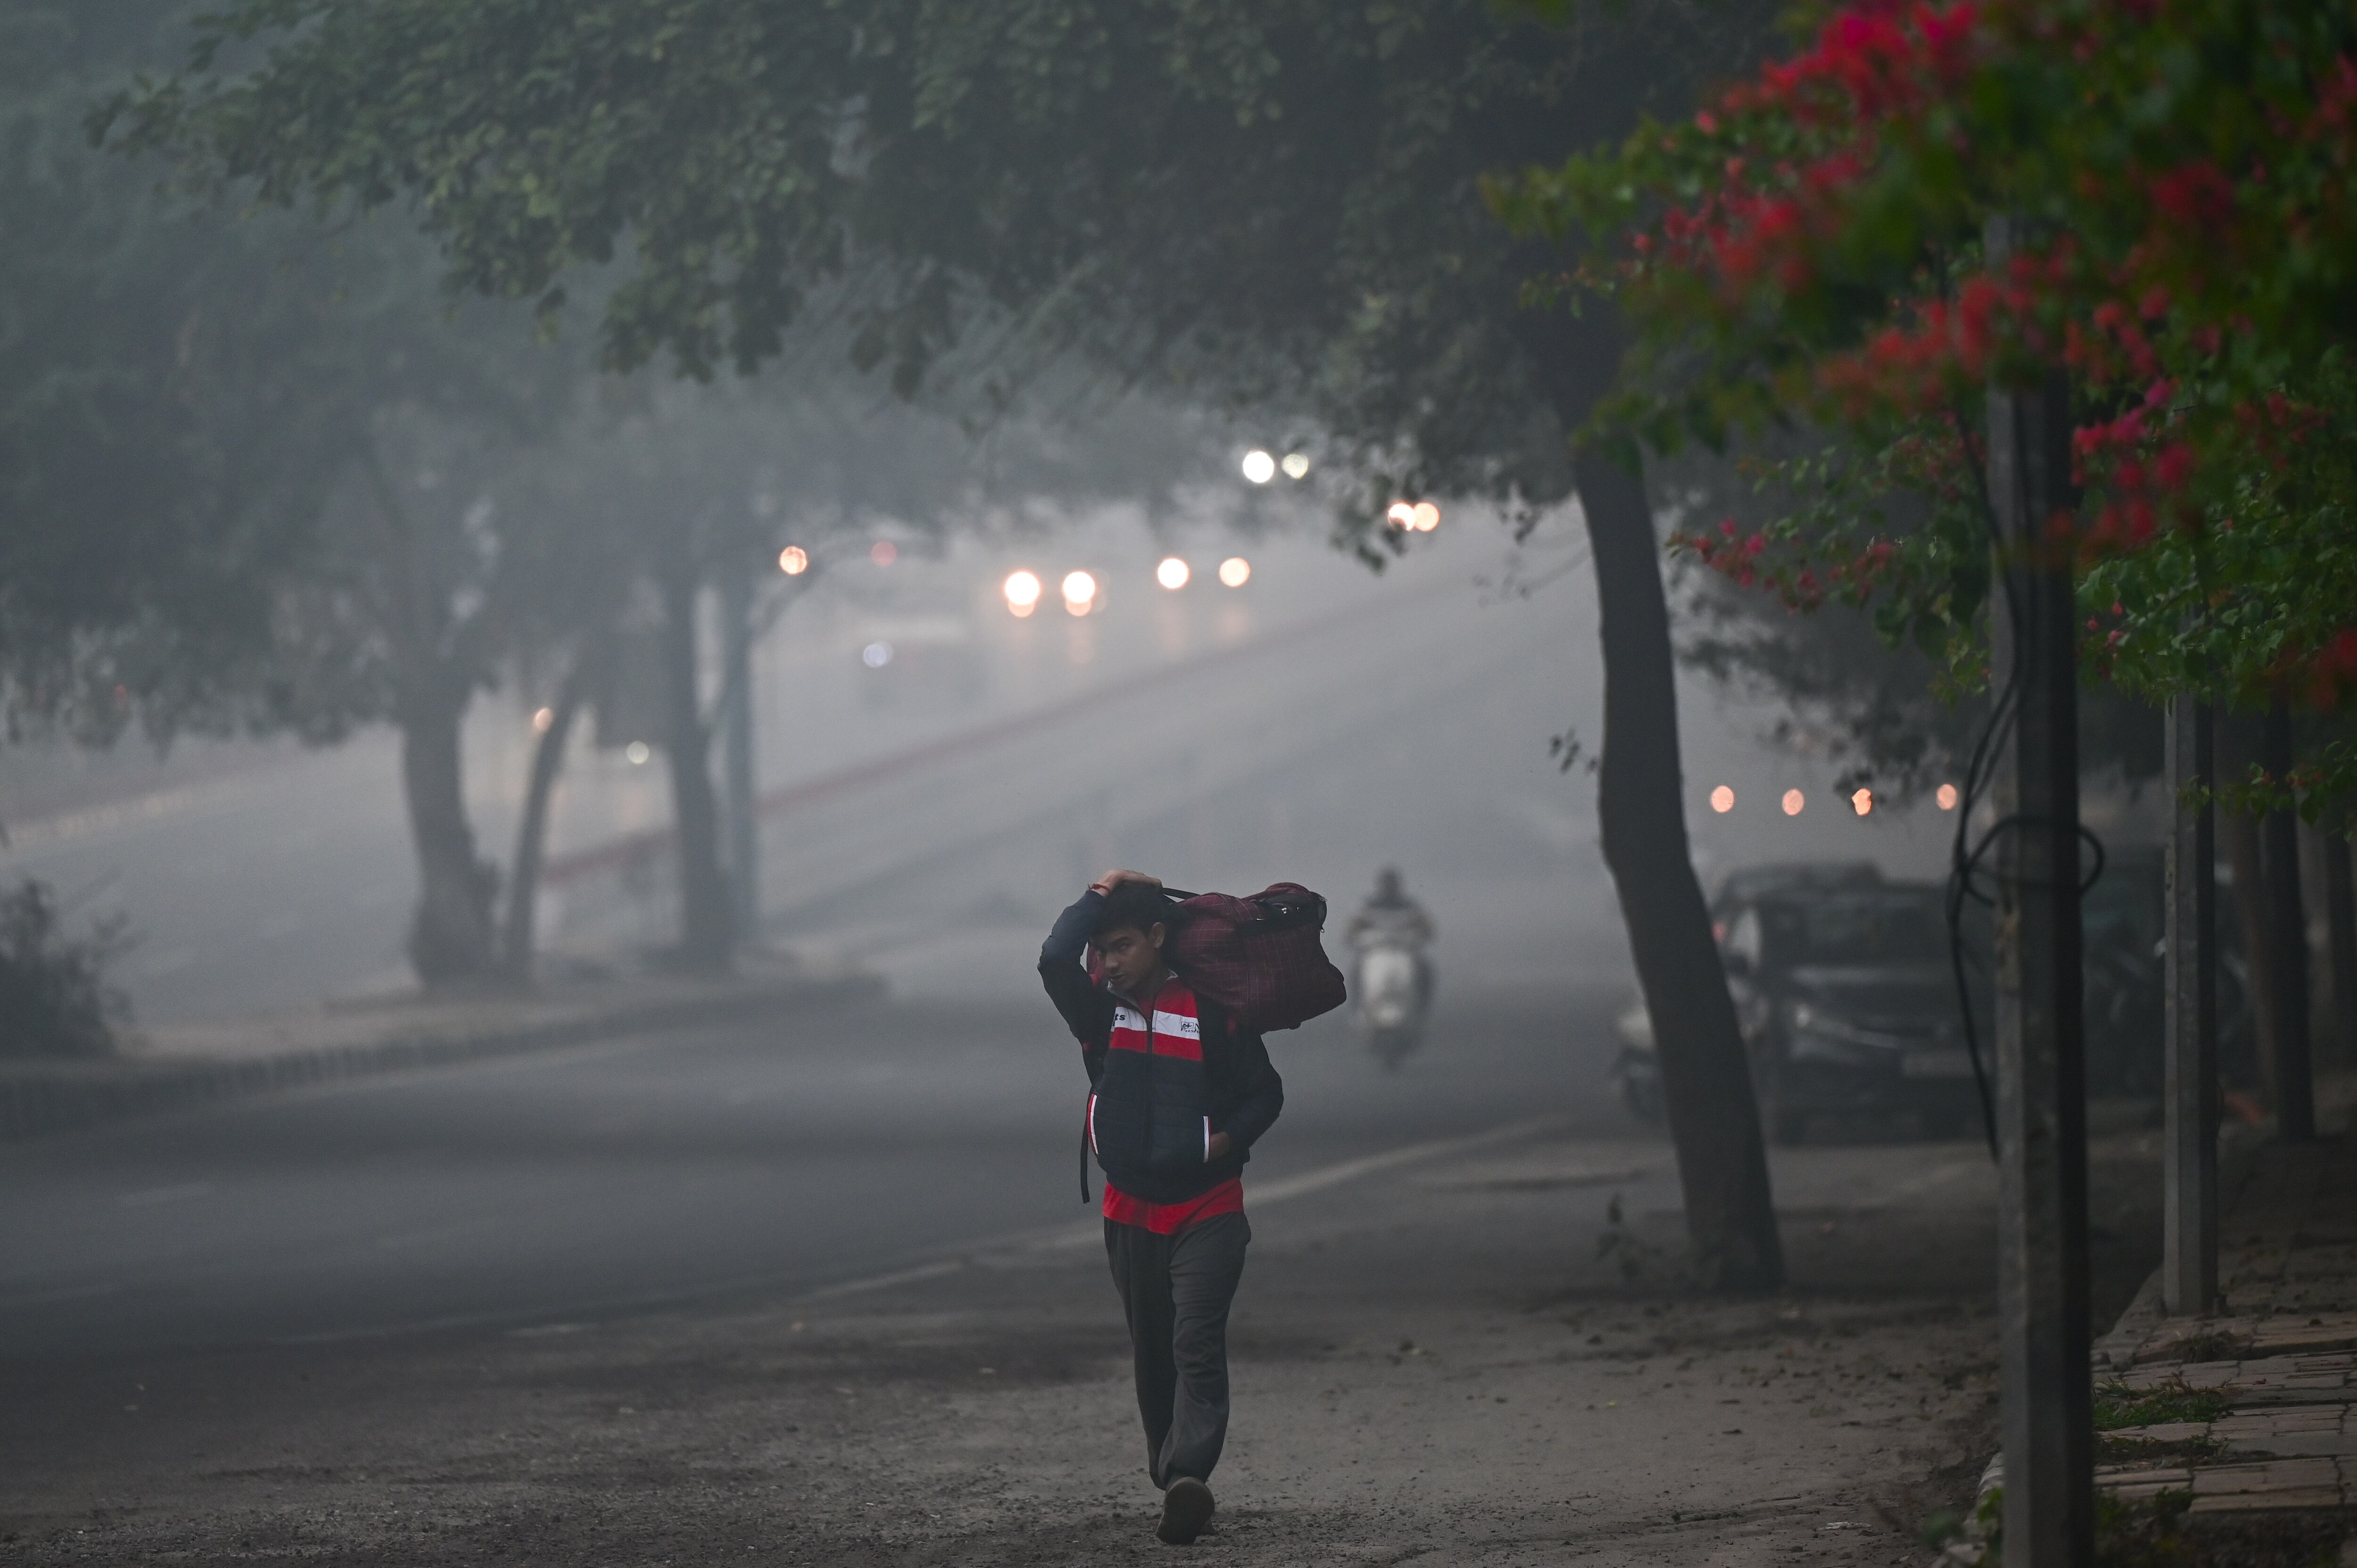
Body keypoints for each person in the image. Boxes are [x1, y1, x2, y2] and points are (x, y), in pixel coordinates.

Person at [1038, 868, 1285, 1547]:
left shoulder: (1211, 1009)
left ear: (1156, 935)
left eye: (1121, 946)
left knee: (1194, 1342)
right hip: (1128, 1213)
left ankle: (1188, 1473)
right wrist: (1098, 892)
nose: (1110, 962)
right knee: (1154, 1354)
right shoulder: (1097, 1010)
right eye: (1104, 949)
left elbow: (1265, 1094)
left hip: (1209, 1207)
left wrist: (1219, 1142)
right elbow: (1053, 956)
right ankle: (1171, 1468)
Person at [1347, 866, 1435, 1006]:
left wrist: (1418, 937)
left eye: (1391, 883)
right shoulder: (1369, 906)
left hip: (1405, 952)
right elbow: (1351, 930)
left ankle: (1422, 1006)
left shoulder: (1410, 906)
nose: (1388, 887)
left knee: (1425, 971)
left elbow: (1428, 928)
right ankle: (1357, 1007)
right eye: (1386, 883)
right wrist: (1359, 939)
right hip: (1376, 952)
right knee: (1356, 972)